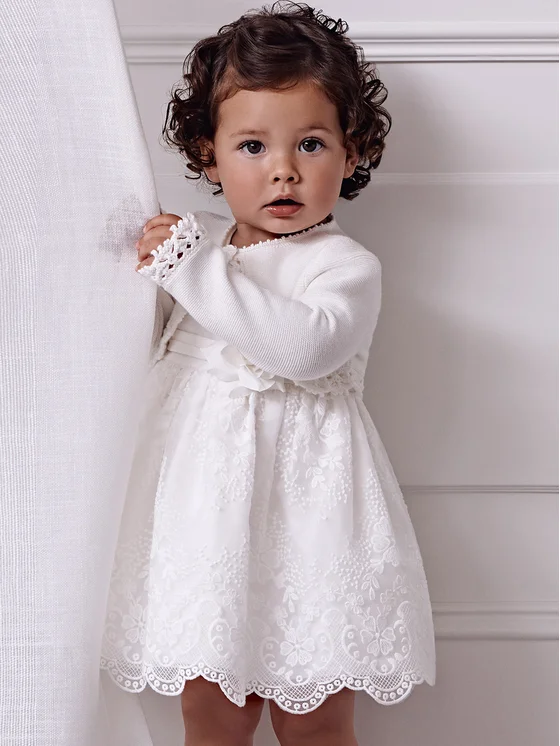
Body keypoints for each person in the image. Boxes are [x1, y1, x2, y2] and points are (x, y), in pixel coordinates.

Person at [100, 2, 436, 744]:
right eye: (252, 145)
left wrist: (190, 267)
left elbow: (304, 349)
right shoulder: (201, 252)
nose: (283, 168)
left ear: (352, 153)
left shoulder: (343, 268)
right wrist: (179, 263)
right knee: (211, 712)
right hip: (205, 523)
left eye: (311, 144)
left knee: (313, 717)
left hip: (307, 523)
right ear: (209, 157)